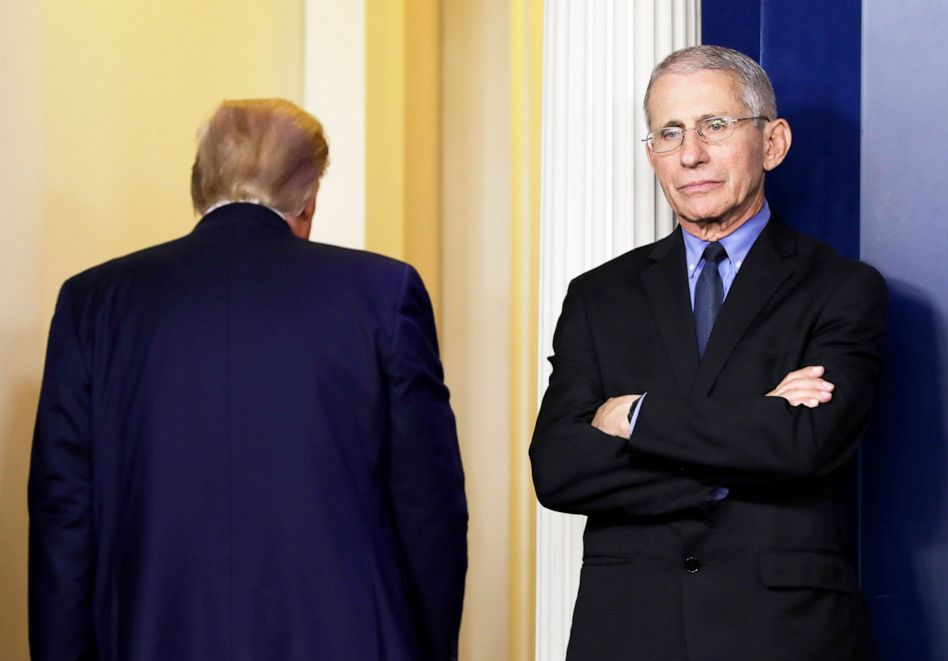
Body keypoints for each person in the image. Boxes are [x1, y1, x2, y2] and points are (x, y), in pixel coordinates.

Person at [29, 99, 467, 661]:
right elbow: (429, 509)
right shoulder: (383, 294)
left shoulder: (93, 303)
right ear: (308, 199)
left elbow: (63, 516)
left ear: (200, 186)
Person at [530, 45, 885, 660]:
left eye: (714, 126)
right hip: (628, 630)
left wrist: (635, 416)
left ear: (772, 143)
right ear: (652, 155)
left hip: (784, 634)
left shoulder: (842, 288)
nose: (690, 153)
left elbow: (802, 444)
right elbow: (559, 469)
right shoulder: (597, 296)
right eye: (670, 132)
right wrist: (747, 436)